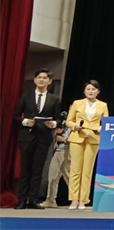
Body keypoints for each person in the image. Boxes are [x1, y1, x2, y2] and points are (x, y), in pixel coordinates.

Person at [13, 69, 61, 210]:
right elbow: (15, 116)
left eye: (45, 78)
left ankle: (33, 199)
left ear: (49, 81)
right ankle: (22, 200)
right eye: (39, 77)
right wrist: (25, 121)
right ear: (35, 80)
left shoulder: (54, 99)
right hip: (27, 137)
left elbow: (58, 119)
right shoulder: (26, 97)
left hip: (43, 138)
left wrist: (53, 124)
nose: (41, 80)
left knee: (38, 170)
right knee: (25, 169)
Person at [66, 80, 108, 210]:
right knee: (75, 170)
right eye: (88, 89)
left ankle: (83, 200)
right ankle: (73, 199)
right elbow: (68, 121)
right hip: (77, 138)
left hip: (93, 139)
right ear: (84, 91)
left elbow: (106, 122)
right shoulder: (77, 103)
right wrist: (75, 126)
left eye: (93, 89)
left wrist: (100, 128)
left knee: (87, 171)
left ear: (98, 91)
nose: (90, 91)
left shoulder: (103, 105)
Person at [42, 110, 71, 208]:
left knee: (69, 176)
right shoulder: (64, 122)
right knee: (53, 175)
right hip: (58, 150)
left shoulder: (78, 123)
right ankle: (51, 199)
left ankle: (77, 199)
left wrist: (63, 139)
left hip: (68, 151)